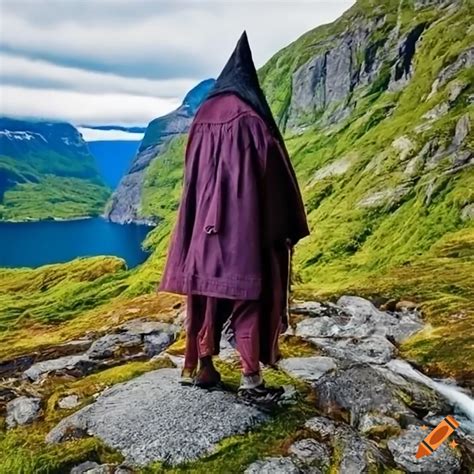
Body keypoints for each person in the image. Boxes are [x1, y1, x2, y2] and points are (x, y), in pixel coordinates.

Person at [158, 31, 309, 402]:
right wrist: (282, 225)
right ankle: (250, 379)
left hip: (201, 232)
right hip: (242, 230)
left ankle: (204, 368)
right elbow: (273, 176)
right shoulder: (252, 118)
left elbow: (191, 177)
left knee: (205, 297)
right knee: (248, 296)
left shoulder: (202, 116)